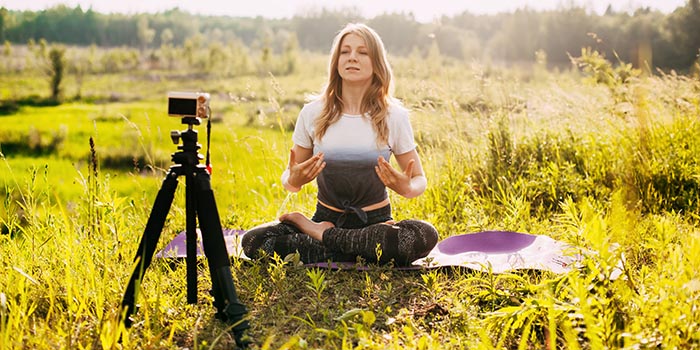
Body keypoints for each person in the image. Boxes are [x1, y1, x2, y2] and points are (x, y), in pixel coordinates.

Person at [241, 23, 438, 266]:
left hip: (376, 222)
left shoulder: (393, 116)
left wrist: (406, 187)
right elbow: (290, 179)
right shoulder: (313, 112)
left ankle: (320, 236)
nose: (352, 57)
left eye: (362, 52)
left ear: (377, 62)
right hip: (328, 216)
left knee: (425, 235)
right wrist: (294, 180)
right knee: (253, 241)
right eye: (345, 52)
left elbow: (419, 179)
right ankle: (358, 247)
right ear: (336, 60)